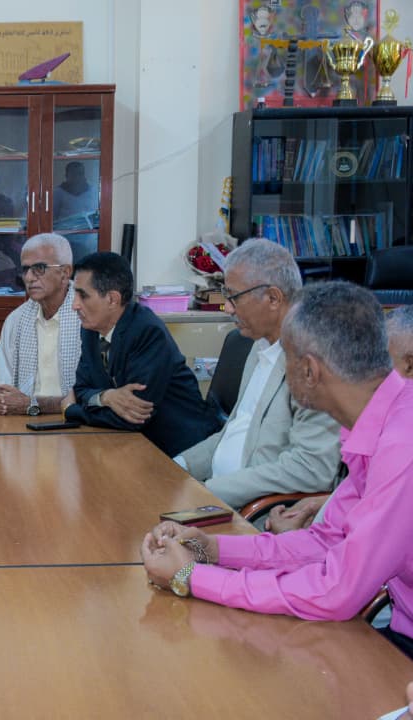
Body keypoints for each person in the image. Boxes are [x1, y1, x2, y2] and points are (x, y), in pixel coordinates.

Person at [141, 282, 413, 660]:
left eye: (284, 357)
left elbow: (338, 589)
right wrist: (213, 549)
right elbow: (324, 542)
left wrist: (191, 576)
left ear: (309, 370)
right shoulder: (381, 423)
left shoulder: (402, 444)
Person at [175, 239, 341, 509]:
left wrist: (209, 493)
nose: (228, 308)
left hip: (254, 514)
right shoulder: (258, 345)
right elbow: (235, 431)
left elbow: (311, 468)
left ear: (273, 298)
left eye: (234, 296)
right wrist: (180, 466)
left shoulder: (314, 361)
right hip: (216, 495)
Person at [266, 303, 413, 534]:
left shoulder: (401, 443)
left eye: (380, 361)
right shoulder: (379, 422)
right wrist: (326, 503)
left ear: (410, 366)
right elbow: (363, 497)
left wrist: (291, 538)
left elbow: (363, 553)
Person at [63, 252, 221, 457]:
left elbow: (132, 417)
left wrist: (72, 411)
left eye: (83, 295)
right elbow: (81, 389)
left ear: (112, 299)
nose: (74, 305)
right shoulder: (91, 329)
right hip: (130, 445)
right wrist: (105, 397)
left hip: (177, 452)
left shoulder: (147, 332)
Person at [0, 233, 82, 416]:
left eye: (39, 268)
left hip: (77, 422)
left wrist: (32, 404)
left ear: (65, 273)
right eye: (25, 269)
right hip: (23, 422)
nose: (29, 277)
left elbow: (93, 396)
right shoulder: (17, 319)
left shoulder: (87, 314)